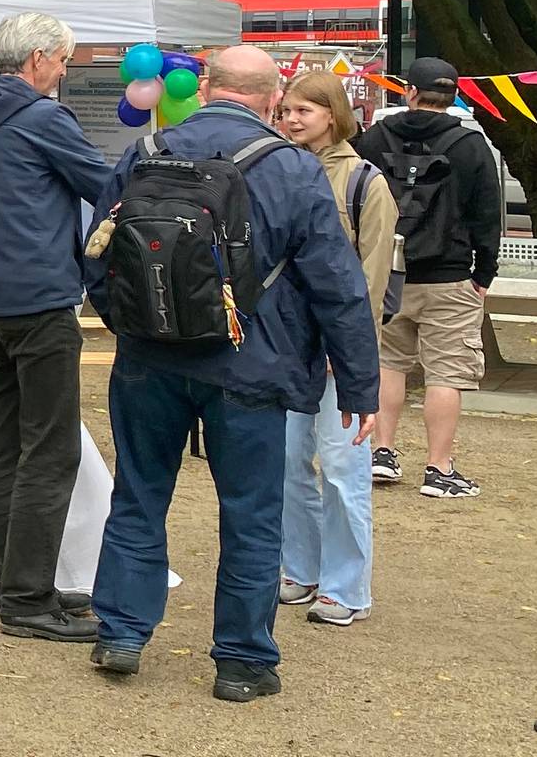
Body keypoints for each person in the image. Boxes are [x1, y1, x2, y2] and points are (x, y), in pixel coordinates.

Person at [86, 45, 379, 703]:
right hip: (252, 363)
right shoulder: (296, 171)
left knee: (138, 496)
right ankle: (242, 661)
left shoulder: (145, 153)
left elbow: (97, 255)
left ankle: (123, 633)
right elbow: (339, 286)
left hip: (148, 358)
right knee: (251, 513)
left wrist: (128, 323)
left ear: (207, 86)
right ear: (273, 98)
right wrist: (359, 385)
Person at [0, 11, 118, 642]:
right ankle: (25, 597)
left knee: (5, 442)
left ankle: (15, 579)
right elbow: (109, 183)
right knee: (51, 448)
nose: (66, 71)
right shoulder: (44, 118)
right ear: (39, 58)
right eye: (64, 59)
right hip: (40, 299)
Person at [276, 72, 396, 627]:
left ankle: (347, 585)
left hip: (339, 349)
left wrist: (348, 350)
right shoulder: (276, 169)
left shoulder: (365, 182)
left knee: (345, 466)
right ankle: (301, 567)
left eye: (305, 110)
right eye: (287, 110)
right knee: (286, 462)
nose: (293, 119)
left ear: (333, 114)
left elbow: (370, 281)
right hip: (284, 345)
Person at [353, 57, 503, 499]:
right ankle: (439, 469)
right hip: (450, 274)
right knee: (446, 372)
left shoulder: (374, 139)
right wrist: (484, 272)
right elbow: (487, 216)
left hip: (386, 272)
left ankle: (382, 451)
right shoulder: (471, 145)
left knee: (387, 364)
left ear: (408, 92)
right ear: (455, 96)